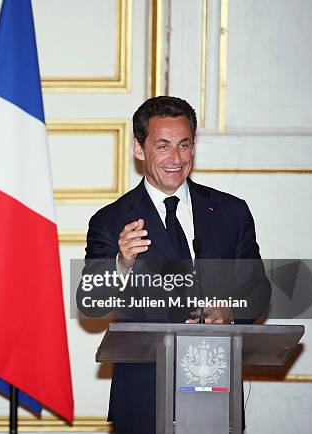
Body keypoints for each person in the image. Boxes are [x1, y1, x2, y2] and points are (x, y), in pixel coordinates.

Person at [79, 96, 271, 433]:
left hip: (216, 386)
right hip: (143, 395)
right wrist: (121, 264)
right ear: (139, 149)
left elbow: (258, 289)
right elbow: (91, 304)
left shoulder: (230, 212)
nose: (176, 158)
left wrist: (229, 311)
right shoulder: (111, 221)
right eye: (163, 145)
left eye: (184, 145)